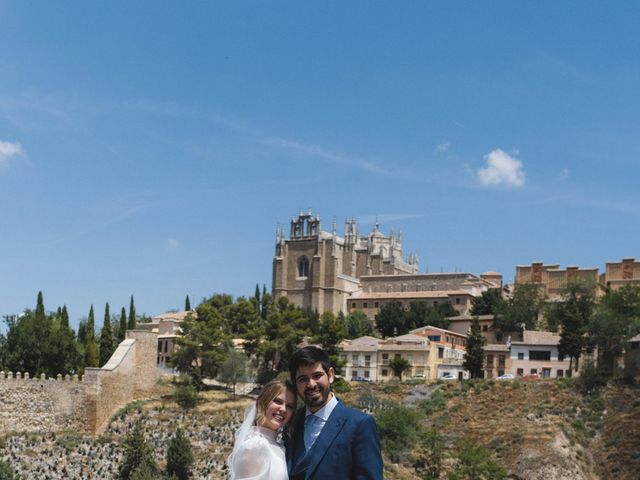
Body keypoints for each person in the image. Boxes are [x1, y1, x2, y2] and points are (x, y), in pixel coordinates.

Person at [286, 346, 383, 480]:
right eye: (303, 379)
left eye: (317, 375)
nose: (311, 384)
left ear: (330, 375)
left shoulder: (360, 424)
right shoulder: (290, 421)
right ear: (295, 383)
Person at [229, 379, 297, 480]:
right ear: (263, 402)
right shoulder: (254, 447)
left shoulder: (278, 445)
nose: (283, 409)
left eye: (289, 406)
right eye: (278, 401)